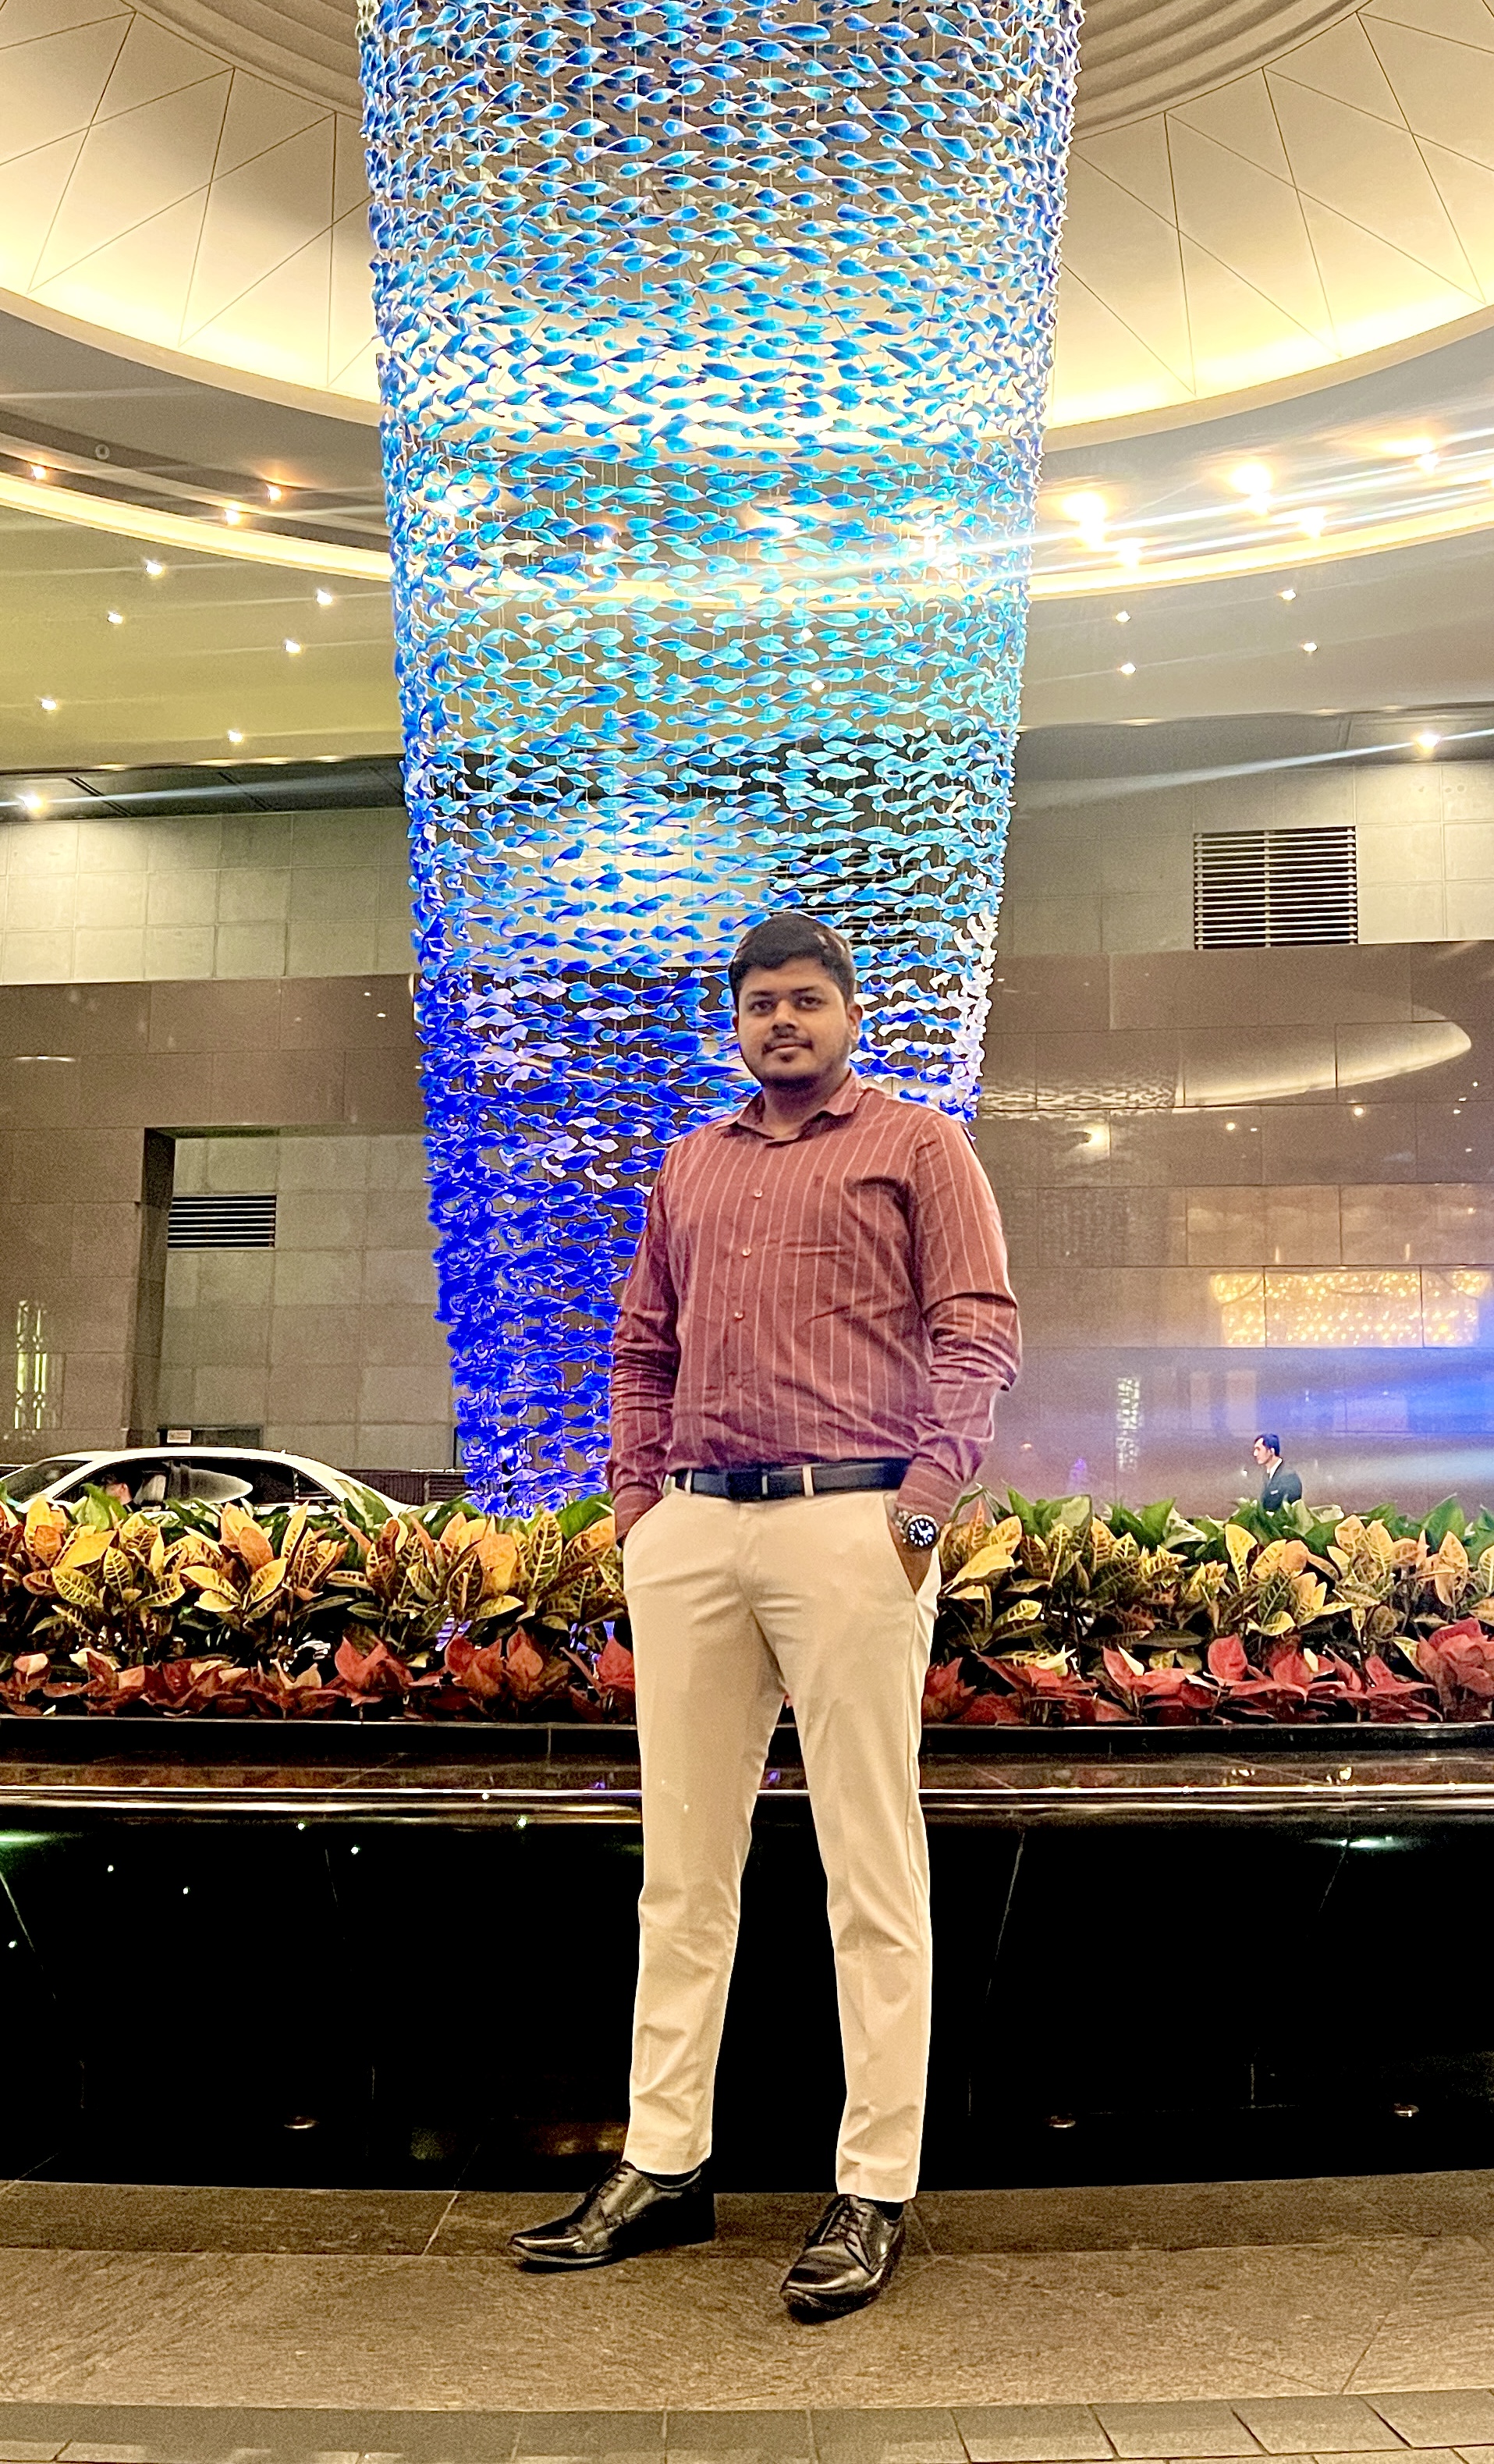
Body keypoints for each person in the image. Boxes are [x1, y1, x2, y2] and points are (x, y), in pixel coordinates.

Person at [510, 911, 1020, 2320]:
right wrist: (639, 1505)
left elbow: (978, 1327)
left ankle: (873, 2183)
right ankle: (664, 2161)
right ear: (734, 1023)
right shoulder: (691, 1163)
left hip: (852, 1523)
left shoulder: (918, 1145)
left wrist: (920, 1507)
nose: (780, 1021)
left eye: (804, 999)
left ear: (849, 1013)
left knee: (871, 1864)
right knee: (681, 1868)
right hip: (694, 1529)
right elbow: (640, 1344)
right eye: (758, 1004)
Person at [1253, 1433, 1302, 1512]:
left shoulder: (1289, 1476)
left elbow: (1291, 1510)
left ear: (1271, 1451)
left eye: (1259, 1449)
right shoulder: (1267, 1476)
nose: (1255, 1454)